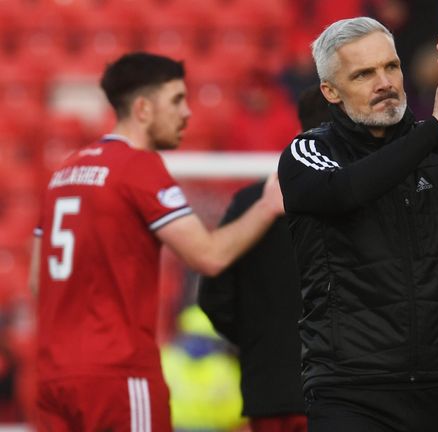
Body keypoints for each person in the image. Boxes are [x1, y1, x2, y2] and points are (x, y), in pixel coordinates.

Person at [277, 17, 438, 432]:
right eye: (364, 74)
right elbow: (347, 191)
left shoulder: (434, 141)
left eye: (391, 67)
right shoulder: (311, 150)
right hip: (352, 388)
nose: (385, 82)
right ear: (330, 91)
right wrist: (435, 128)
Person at [30, 52, 284, 432]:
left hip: (53, 376)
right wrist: (267, 206)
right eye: (178, 100)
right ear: (144, 109)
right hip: (118, 374)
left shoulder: (63, 171)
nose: (188, 114)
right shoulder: (139, 167)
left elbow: (38, 282)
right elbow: (209, 256)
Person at [198, 86, 330, 432]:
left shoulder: (249, 201)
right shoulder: (361, 197)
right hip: (343, 393)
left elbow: (213, 295)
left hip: (270, 390)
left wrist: (260, 340)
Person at [160, 305, 245, 431]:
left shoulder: (166, 357)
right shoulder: (227, 366)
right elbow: (240, 410)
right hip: (216, 427)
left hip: (172, 426)